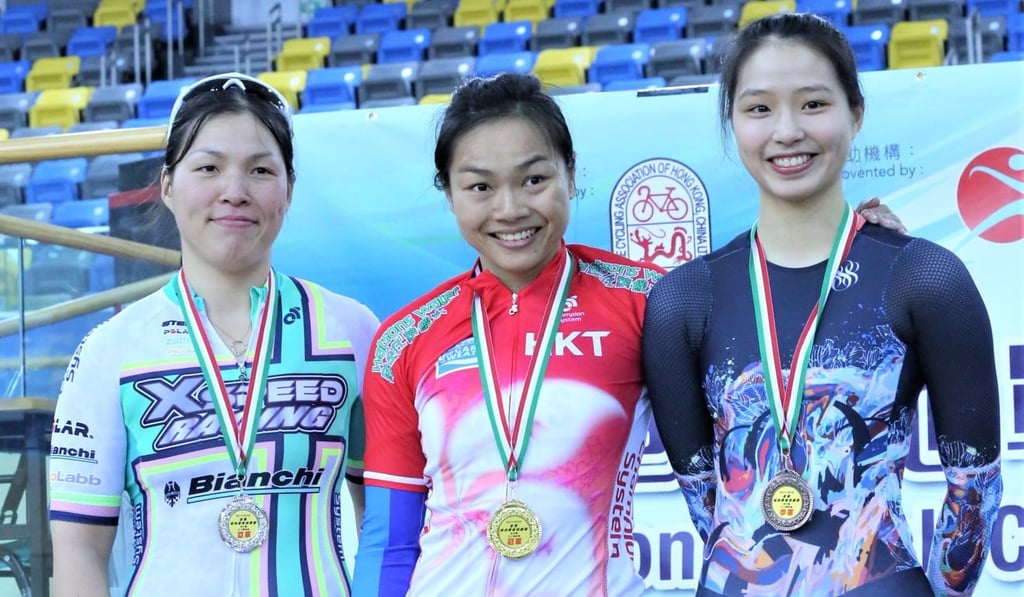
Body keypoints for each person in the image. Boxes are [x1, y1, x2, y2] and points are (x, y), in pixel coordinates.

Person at [352, 72, 905, 596]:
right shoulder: (405, 340)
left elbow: (777, 359)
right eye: (479, 187)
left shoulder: (645, 300)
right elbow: (391, 540)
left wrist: (850, 252)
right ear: (448, 193)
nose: (510, 208)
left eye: (534, 179)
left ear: (571, 174)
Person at [642, 14, 1003, 597]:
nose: (786, 131)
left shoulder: (925, 278)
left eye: (813, 104)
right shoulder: (685, 298)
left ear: (855, 114)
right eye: (759, 109)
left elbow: (974, 494)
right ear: (732, 123)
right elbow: (705, 502)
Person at [48, 72, 380, 597]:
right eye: (208, 167)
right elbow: (78, 554)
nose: (235, 192)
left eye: (261, 171)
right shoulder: (109, 351)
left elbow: (387, 529)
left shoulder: (354, 332)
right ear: (167, 187)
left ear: (289, 190)